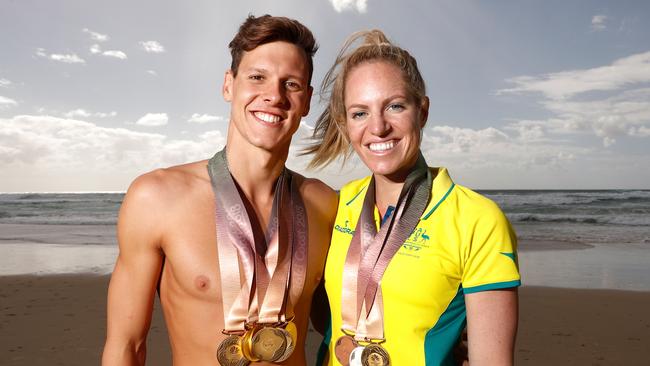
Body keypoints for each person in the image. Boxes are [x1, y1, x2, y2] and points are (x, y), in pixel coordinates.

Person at [102, 15, 338, 366]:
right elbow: (126, 346)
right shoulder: (157, 197)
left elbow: (341, 322)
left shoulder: (325, 204)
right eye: (257, 77)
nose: (273, 96)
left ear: (305, 101)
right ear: (229, 85)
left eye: (291, 84)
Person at [305, 30, 520, 366]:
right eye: (360, 113)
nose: (378, 127)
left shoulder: (478, 220)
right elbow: (326, 309)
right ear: (346, 124)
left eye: (395, 106)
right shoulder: (340, 204)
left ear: (422, 111)